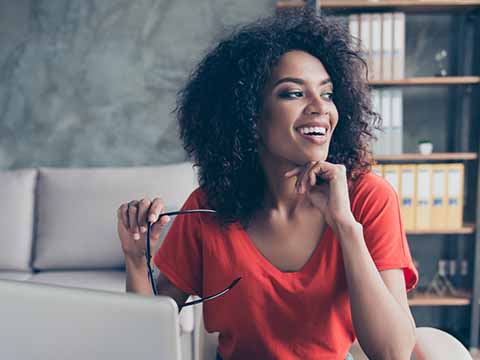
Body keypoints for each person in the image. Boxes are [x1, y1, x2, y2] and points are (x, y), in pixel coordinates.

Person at [117, 8, 419, 360]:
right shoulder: (208, 206)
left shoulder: (369, 197)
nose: (320, 107)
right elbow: (145, 341)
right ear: (250, 116)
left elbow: (395, 353)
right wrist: (137, 262)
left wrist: (345, 226)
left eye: (328, 93)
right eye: (293, 93)